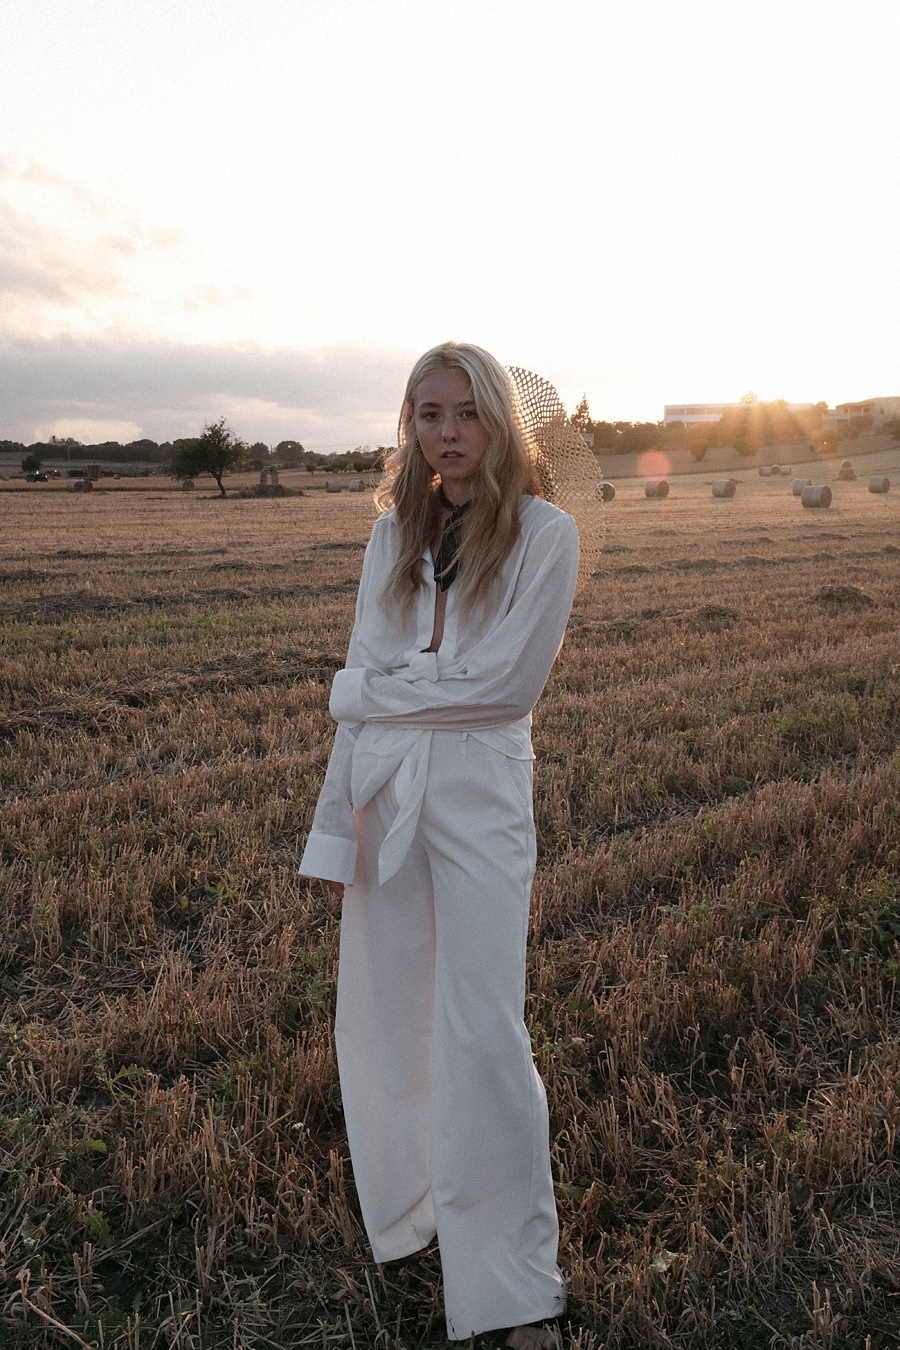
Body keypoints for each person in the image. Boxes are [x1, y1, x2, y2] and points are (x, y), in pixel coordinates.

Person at [299, 341, 580, 1349]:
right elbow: (363, 679)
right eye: (429, 414)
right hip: (386, 795)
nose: (447, 433)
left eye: (466, 413)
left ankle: (513, 1287)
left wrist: (370, 692)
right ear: (409, 425)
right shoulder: (391, 536)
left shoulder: (546, 534)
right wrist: (335, 830)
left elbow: (504, 688)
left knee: (481, 1028)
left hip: (481, 798)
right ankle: (414, 1213)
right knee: (379, 1015)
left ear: (499, 422)